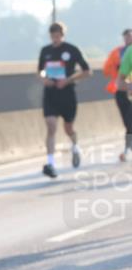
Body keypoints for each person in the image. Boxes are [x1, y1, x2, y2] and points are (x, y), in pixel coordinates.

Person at [37, 22, 92, 179]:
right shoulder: (45, 51)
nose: (55, 39)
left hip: (67, 94)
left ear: (62, 35)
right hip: (51, 94)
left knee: (68, 128)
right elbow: (40, 71)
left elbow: (87, 71)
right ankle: (50, 163)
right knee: (51, 126)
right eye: (53, 36)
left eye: (58, 36)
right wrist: (44, 79)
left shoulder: (72, 50)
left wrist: (68, 80)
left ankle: (75, 146)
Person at [103, 29, 132, 162]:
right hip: (122, 91)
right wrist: (118, 71)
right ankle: (127, 148)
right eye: (127, 37)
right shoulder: (118, 52)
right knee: (128, 122)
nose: (128, 39)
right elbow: (106, 70)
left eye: (130, 37)